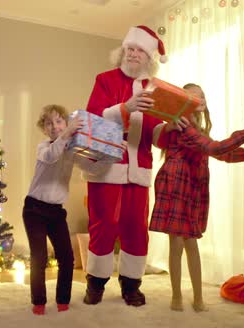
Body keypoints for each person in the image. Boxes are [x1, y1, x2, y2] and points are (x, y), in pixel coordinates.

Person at [83, 25, 187, 307]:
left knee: (136, 227)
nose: (132, 54)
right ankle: (96, 282)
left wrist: (171, 127)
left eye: (139, 50)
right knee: (104, 225)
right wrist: (126, 108)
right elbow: (93, 120)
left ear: (149, 57)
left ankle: (131, 284)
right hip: (106, 167)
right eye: (129, 48)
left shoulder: (152, 89)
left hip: (138, 168)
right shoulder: (104, 80)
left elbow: (155, 136)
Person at [149, 83, 244, 312]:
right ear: (185, 103)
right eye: (194, 96)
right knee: (177, 242)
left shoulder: (198, 130)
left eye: (202, 95)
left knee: (190, 242)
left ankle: (197, 298)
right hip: (176, 183)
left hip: (192, 186)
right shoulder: (184, 126)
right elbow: (216, 148)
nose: (200, 98)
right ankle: (177, 297)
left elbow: (223, 153)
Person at [23, 104, 109, 315]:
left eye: (58, 121)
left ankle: (63, 300)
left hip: (56, 212)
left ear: (65, 123)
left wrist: (112, 154)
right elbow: (52, 155)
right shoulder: (43, 147)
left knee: (67, 258)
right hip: (34, 209)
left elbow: (92, 168)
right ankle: (39, 302)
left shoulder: (72, 150)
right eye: (48, 123)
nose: (54, 126)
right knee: (39, 257)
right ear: (44, 129)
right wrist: (68, 132)